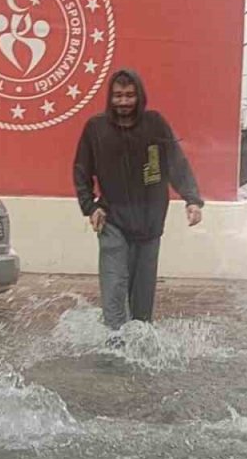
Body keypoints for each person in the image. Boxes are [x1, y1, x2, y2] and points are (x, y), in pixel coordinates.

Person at [72, 69, 204, 334]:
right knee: (115, 287)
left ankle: (139, 345)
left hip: (150, 223)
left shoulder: (154, 124)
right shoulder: (96, 128)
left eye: (129, 95)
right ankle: (114, 344)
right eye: (118, 96)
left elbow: (176, 163)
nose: (123, 102)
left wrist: (192, 199)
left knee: (143, 299)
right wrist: (90, 206)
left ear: (139, 96)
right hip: (112, 219)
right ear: (110, 97)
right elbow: (81, 170)